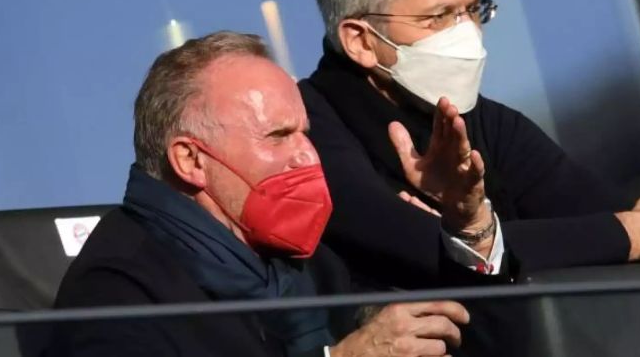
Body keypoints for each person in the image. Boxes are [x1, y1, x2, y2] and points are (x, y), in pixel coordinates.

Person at [299, 0, 640, 288]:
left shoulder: (489, 121)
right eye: (438, 16)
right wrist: (631, 234)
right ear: (360, 41)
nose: (467, 33)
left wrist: (632, 231)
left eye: (473, 10)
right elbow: (421, 249)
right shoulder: (302, 127)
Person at [51, 32, 471, 357]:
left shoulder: (307, 262)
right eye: (279, 136)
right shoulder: (119, 289)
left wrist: (467, 223)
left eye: (305, 134)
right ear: (190, 161)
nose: (307, 155)